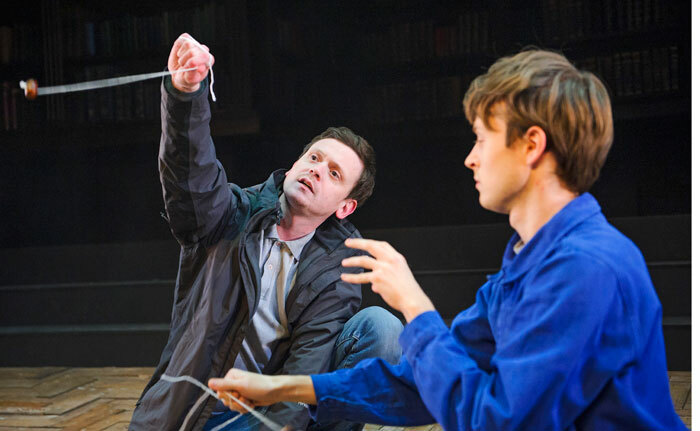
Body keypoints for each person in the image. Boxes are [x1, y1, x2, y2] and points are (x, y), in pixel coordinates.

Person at [207, 50, 688, 431]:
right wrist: (284, 388)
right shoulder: (527, 261)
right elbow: (421, 385)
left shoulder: (587, 268)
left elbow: (497, 421)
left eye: (482, 138)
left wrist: (414, 304)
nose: (470, 159)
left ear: (532, 145)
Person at [129, 34, 403, 431]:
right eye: (314, 158)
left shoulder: (337, 267)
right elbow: (191, 179)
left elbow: (308, 366)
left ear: (345, 207)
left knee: (381, 330)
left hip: (268, 416)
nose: (316, 170)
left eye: (334, 173)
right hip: (199, 414)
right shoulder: (231, 213)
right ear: (293, 165)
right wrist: (185, 94)